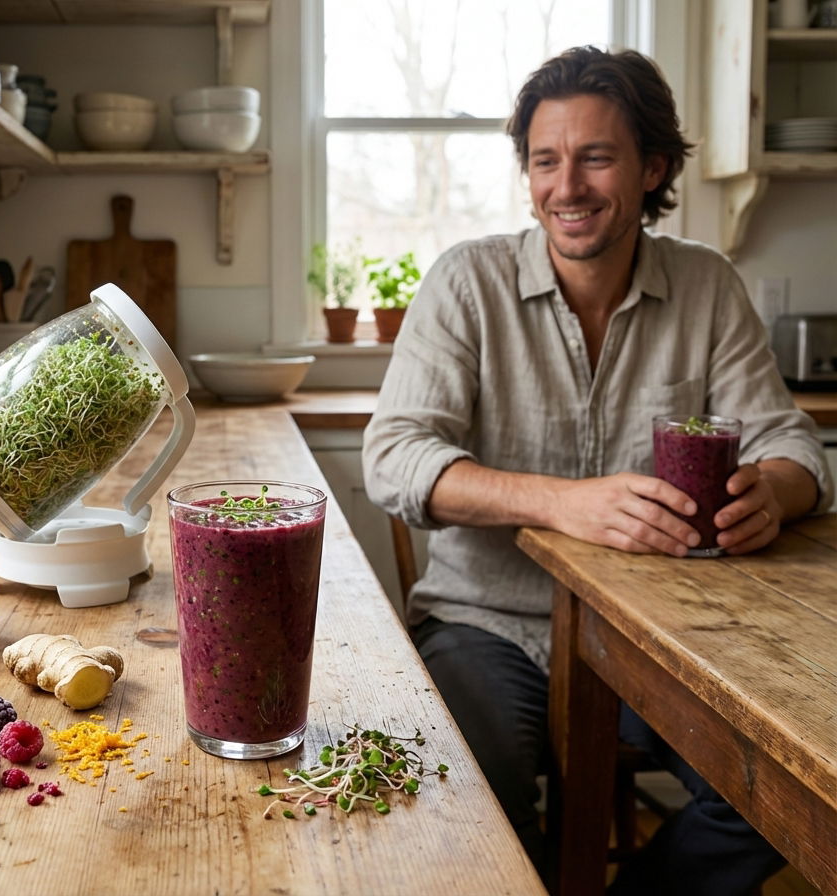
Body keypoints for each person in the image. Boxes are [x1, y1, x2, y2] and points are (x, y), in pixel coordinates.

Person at [362, 45, 833, 895]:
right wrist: (563, 504)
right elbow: (395, 458)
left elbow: (793, 447)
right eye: (546, 160)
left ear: (652, 168)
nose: (566, 186)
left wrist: (777, 491)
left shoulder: (707, 283)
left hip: (667, 637)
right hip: (485, 622)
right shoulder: (467, 282)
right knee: (468, 794)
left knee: (782, 795)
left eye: (597, 157)